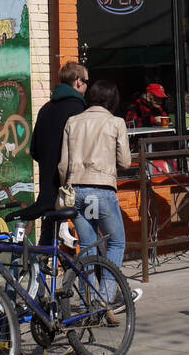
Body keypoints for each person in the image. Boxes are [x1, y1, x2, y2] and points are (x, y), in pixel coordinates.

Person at [58, 80, 131, 306]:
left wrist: (67, 186)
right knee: (117, 243)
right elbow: (125, 162)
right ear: (112, 100)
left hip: (76, 190)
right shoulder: (116, 122)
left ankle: (85, 300)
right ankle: (106, 297)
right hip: (102, 190)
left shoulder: (73, 121)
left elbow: (63, 165)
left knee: (87, 247)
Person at [14, 61, 87, 244]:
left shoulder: (46, 109)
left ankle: (40, 268)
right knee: (90, 237)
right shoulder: (79, 109)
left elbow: (35, 150)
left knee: (48, 237)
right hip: (71, 188)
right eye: (86, 81)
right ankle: (97, 270)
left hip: (48, 191)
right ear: (77, 81)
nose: (87, 86)